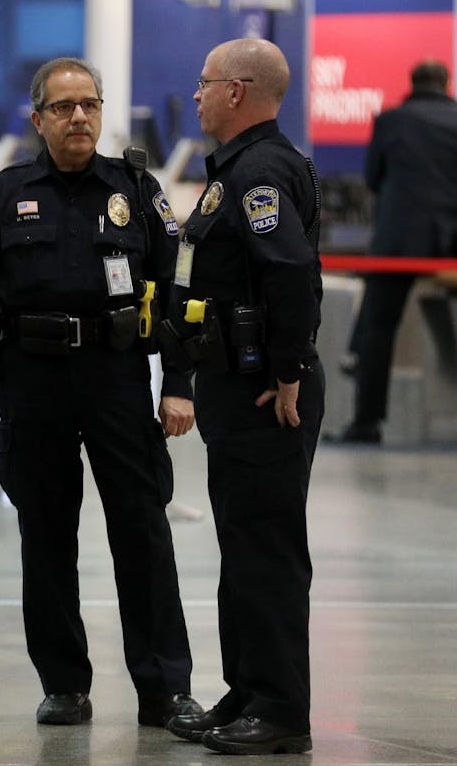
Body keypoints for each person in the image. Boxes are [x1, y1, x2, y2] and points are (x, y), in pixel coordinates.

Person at [0, 57, 201, 731]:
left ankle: (164, 688)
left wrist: (176, 383)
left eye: (89, 104)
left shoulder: (137, 189)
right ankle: (63, 683)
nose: (78, 116)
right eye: (63, 107)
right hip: (32, 377)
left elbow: (173, 295)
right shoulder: (3, 193)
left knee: (142, 531)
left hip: (116, 376)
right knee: (46, 536)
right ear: (38, 119)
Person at [162, 38, 323, 755]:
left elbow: (290, 270)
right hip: (237, 382)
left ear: (236, 90)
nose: (194, 95)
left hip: (267, 390)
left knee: (267, 548)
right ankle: (250, 687)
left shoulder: (260, 172)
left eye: (203, 83)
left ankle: (283, 707)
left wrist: (286, 368)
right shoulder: (237, 168)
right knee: (243, 546)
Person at [334, 60, 457, 444]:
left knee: (378, 327)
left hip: (402, 240)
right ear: (446, 83)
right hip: (452, 241)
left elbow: (372, 179)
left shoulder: (391, 121)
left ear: (412, 82)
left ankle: (367, 423)